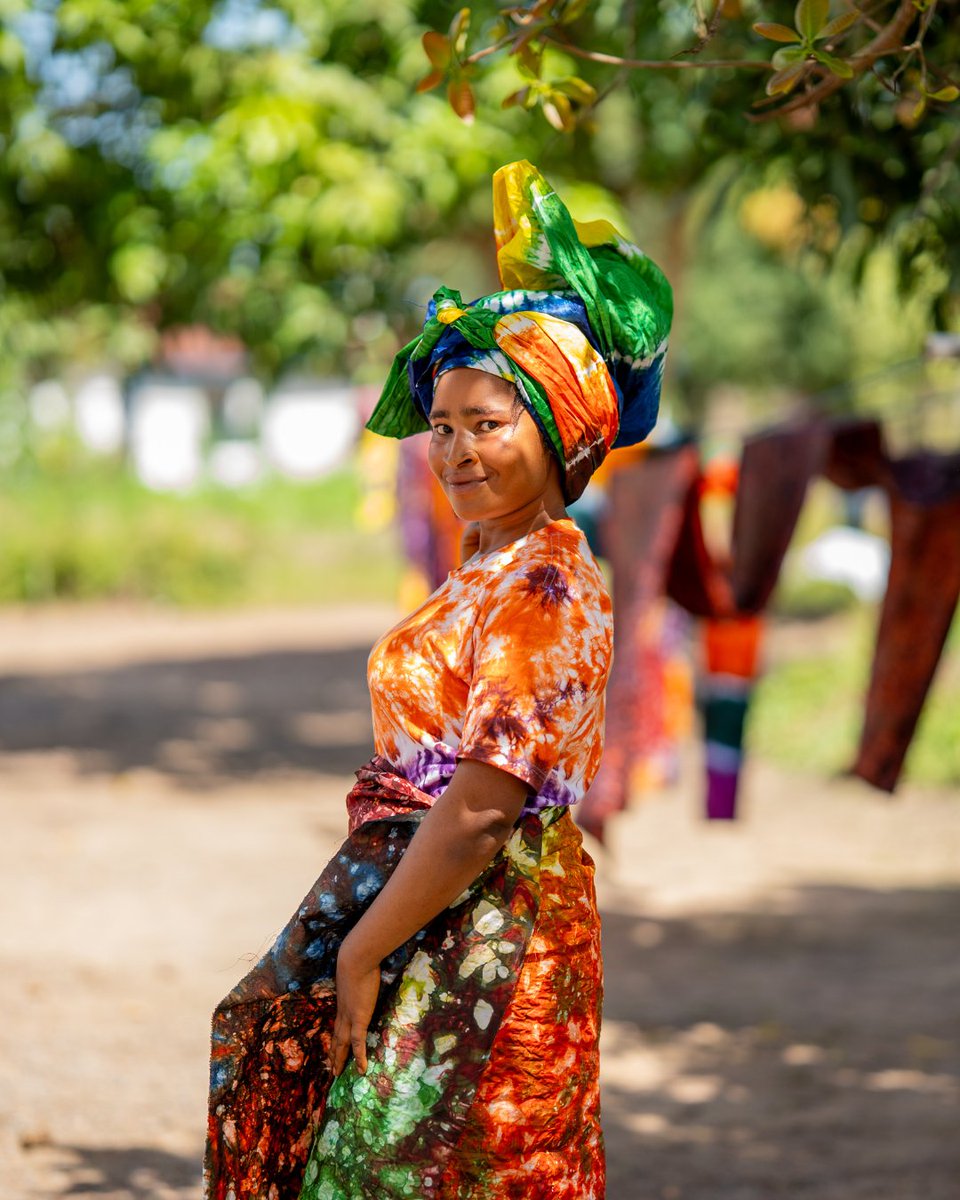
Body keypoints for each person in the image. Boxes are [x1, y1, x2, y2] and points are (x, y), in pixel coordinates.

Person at [204, 160, 672, 1200]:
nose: (456, 452)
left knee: (451, 1168)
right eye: (444, 428)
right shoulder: (487, 570)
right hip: (435, 910)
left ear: (559, 433)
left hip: (487, 928)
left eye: (488, 426)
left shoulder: (546, 583)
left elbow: (480, 809)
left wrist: (364, 950)